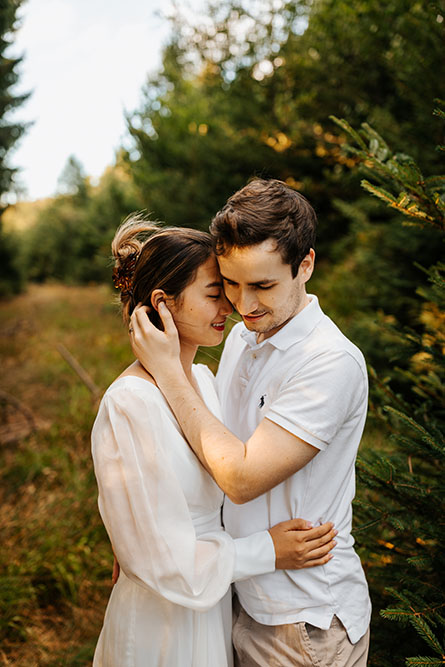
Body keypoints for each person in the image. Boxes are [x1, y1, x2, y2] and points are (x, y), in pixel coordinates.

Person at [129, 178, 372, 667]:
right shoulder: (243, 338)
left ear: (305, 265)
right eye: (231, 284)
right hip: (235, 593)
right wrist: (140, 530)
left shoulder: (329, 362)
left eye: (262, 285)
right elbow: (208, 443)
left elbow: (239, 478)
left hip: (303, 621)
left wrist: (167, 370)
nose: (243, 305)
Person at [91, 215, 337, 667]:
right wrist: (269, 550)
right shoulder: (129, 403)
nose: (232, 306)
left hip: (212, 605)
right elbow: (162, 562)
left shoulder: (204, 384)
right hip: (162, 620)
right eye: (214, 293)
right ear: (163, 303)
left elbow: (230, 469)